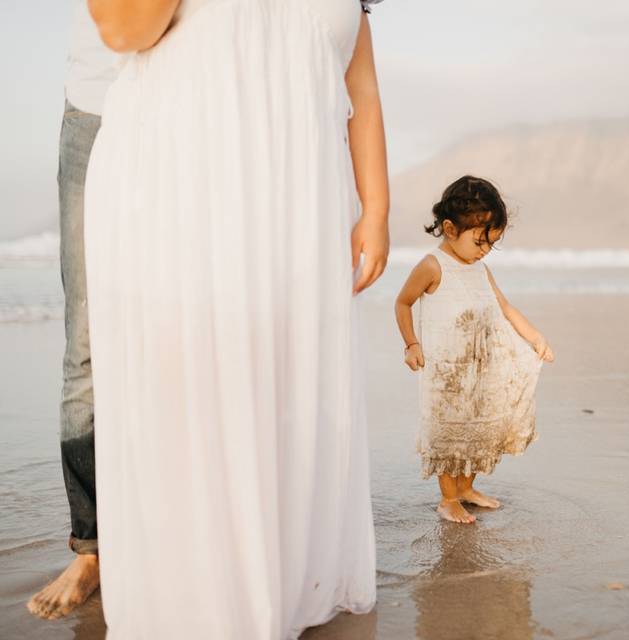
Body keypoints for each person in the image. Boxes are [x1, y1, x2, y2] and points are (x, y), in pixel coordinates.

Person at [81, 0, 389, 636]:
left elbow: (358, 82)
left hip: (298, 200)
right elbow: (122, 30)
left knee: (290, 388)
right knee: (196, 394)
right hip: (181, 191)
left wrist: (376, 206)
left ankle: (284, 583)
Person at [26, 1, 119, 620]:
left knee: (186, 334)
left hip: (191, 113)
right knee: (86, 343)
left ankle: (173, 528)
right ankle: (90, 547)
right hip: (97, 107)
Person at [394, 176, 554, 524]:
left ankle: (465, 488)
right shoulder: (432, 266)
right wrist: (411, 344)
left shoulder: (481, 269)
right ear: (450, 229)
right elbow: (403, 302)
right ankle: (448, 498)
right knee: (449, 433)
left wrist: (535, 337)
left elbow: (506, 308)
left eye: (491, 244)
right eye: (480, 241)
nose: (484, 250)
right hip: (446, 374)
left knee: (477, 431)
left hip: (480, 369)